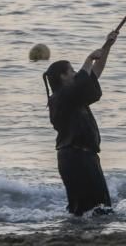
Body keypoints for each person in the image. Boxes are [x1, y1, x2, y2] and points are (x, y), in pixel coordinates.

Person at [44, 31, 118, 216]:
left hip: (85, 157)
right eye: (71, 71)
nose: (76, 73)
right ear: (62, 77)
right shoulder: (59, 98)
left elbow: (93, 74)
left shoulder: (75, 94)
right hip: (74, 157)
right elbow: (83, 78)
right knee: (87, 209)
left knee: (99, 207)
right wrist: (88, 58)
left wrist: (107, 46)